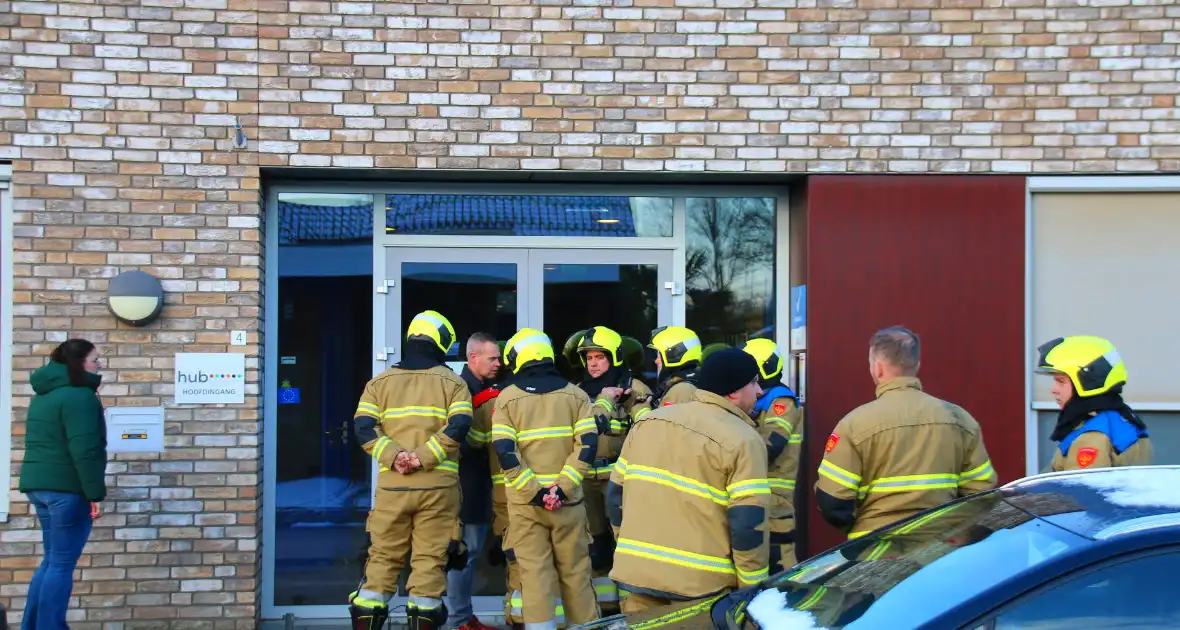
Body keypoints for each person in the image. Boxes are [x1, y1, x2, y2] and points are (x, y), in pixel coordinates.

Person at [607, 348, 771, 613]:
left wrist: (630, 550)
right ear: (733, 391)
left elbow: (615, 497)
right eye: (754, 382)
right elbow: (748, 524)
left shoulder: (647, 422)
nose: (760, 391)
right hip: (701, 589)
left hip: (637, 578)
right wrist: (752, 589)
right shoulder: (744, 440)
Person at [348, 311, 474, 630]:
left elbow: (363, 427)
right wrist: (422, 457)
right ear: (442, 342)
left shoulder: (379, 383)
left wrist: (396, 457)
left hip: (393, 488)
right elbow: (460, 424)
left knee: (381, 563)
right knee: (429, 567)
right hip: (437, 490)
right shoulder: (453, 382)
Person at [815, 326, 998, 541]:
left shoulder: (854, 425)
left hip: (873, 553)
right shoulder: (960, 420)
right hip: (941, 550)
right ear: (917, 365)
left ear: (877, 368)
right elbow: (981, 494)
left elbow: (833, 503)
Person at [492, 328, 601, 630]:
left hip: (526, 506)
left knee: (535, 578)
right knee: (577, 575)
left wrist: (536, 492)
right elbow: (587, 446)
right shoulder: (576, 395)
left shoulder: (507, 399)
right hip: (568, 504)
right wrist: (562, 488)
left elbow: (505, 452)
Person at [18, 339, 107, 630]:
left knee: (50, 562)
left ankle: (32, 625)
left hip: (39, 487)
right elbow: (85, 449)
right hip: (66, 489)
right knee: (60, 565)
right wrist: (94, 493)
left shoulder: (45, 395)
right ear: (80, 363)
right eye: (95, 359)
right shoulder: (79, 396)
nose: (99, 364)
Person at [573, 326, 654, 615]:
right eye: (589, 358)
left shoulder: (635, 388)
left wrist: (633, 404)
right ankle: (606, 612)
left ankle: (631, 611)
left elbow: (648, 433)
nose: (593, 363)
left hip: (620, 483)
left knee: (627, 548)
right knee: (596, 550)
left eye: (600, 357)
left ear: (614, 358)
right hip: (585, 482)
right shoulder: (578, 393)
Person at [447, 332, 502, 630]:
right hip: (466, 484)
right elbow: (463, 442)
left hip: (479, 483)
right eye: (492, 358)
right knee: (465, 554)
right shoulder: (462, 390)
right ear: (472, 358)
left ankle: (463, 616)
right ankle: (458, 621)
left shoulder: (482, 387)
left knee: (471, 552)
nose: (498, 363)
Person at [1035, 335, 1152, 471]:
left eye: (1061, 382)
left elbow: (1077, 490)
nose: (1053, 390)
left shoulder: (1091, 437)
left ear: (1088, 382)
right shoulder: (1122, 418)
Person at [740, 338, 804, 573]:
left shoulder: (781, 402)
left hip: (776, 499)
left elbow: (772, 444)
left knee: (782, 569)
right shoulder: (760, 401)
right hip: (759, 494)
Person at [648, 326, 702, 407]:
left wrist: (640, 408)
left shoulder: (681, 390)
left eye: (660, 355)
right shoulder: (691, 382)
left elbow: (661, 419)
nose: (656, 361)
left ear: (674, 356)